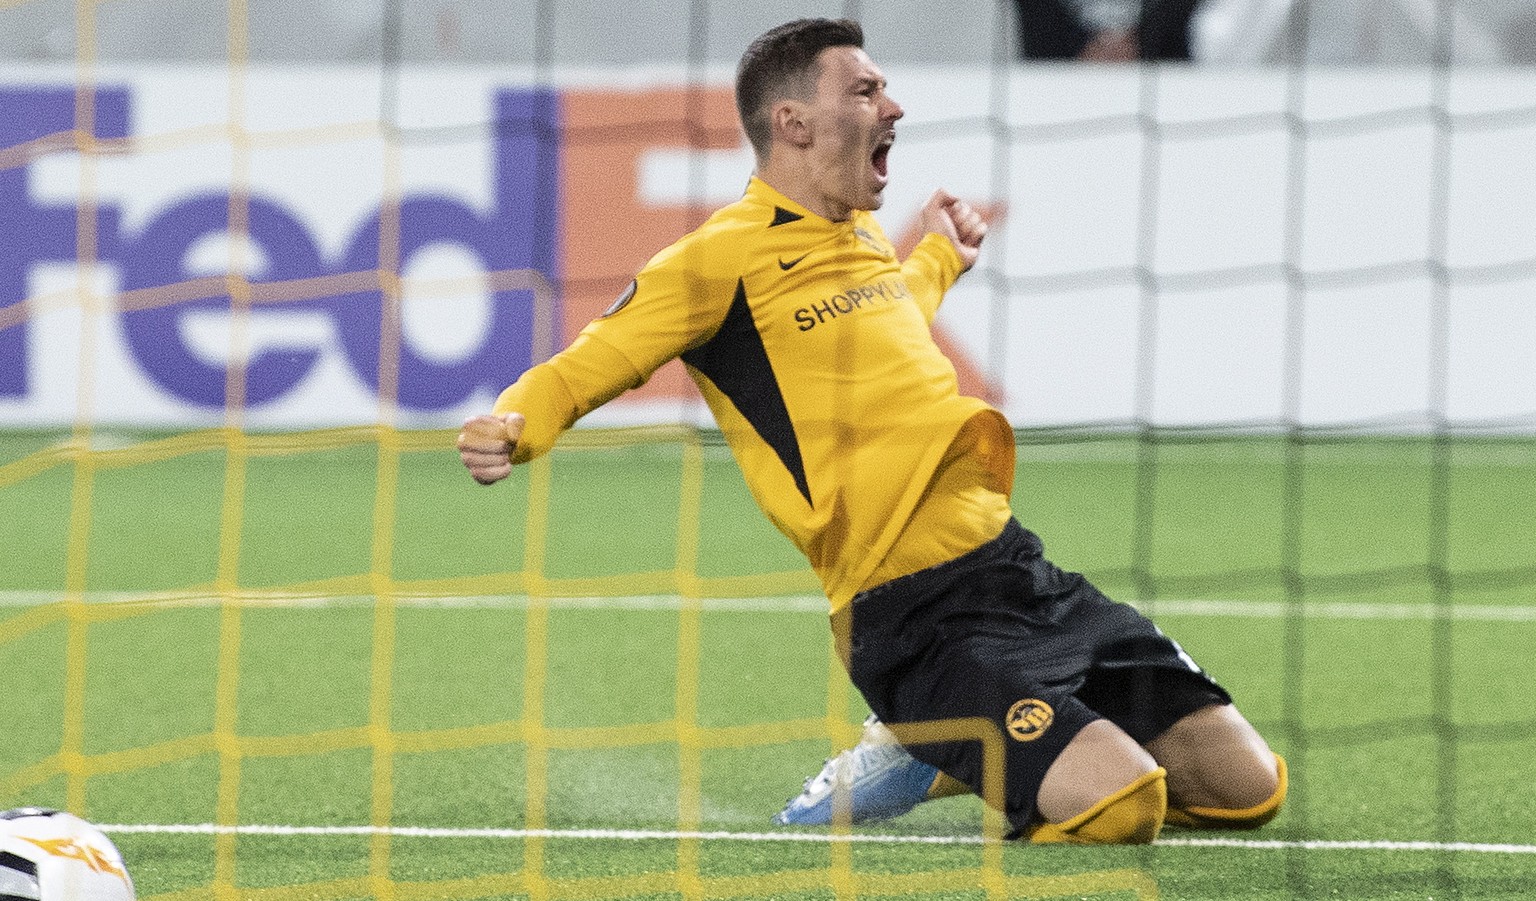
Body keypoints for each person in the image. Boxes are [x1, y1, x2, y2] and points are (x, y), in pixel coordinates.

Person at [458, 17, 1286, 844]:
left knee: (1248, 790)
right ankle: (933, 737)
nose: (893, 104)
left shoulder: (856, 234)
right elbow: (594, 359)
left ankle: (959, 745)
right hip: (912, 616)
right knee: (1124, 804)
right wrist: (515, 424)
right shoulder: (717, 262)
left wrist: (937, 260)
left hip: (1016, 569)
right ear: (793, 123)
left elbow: (885, 322)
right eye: (866, 90)